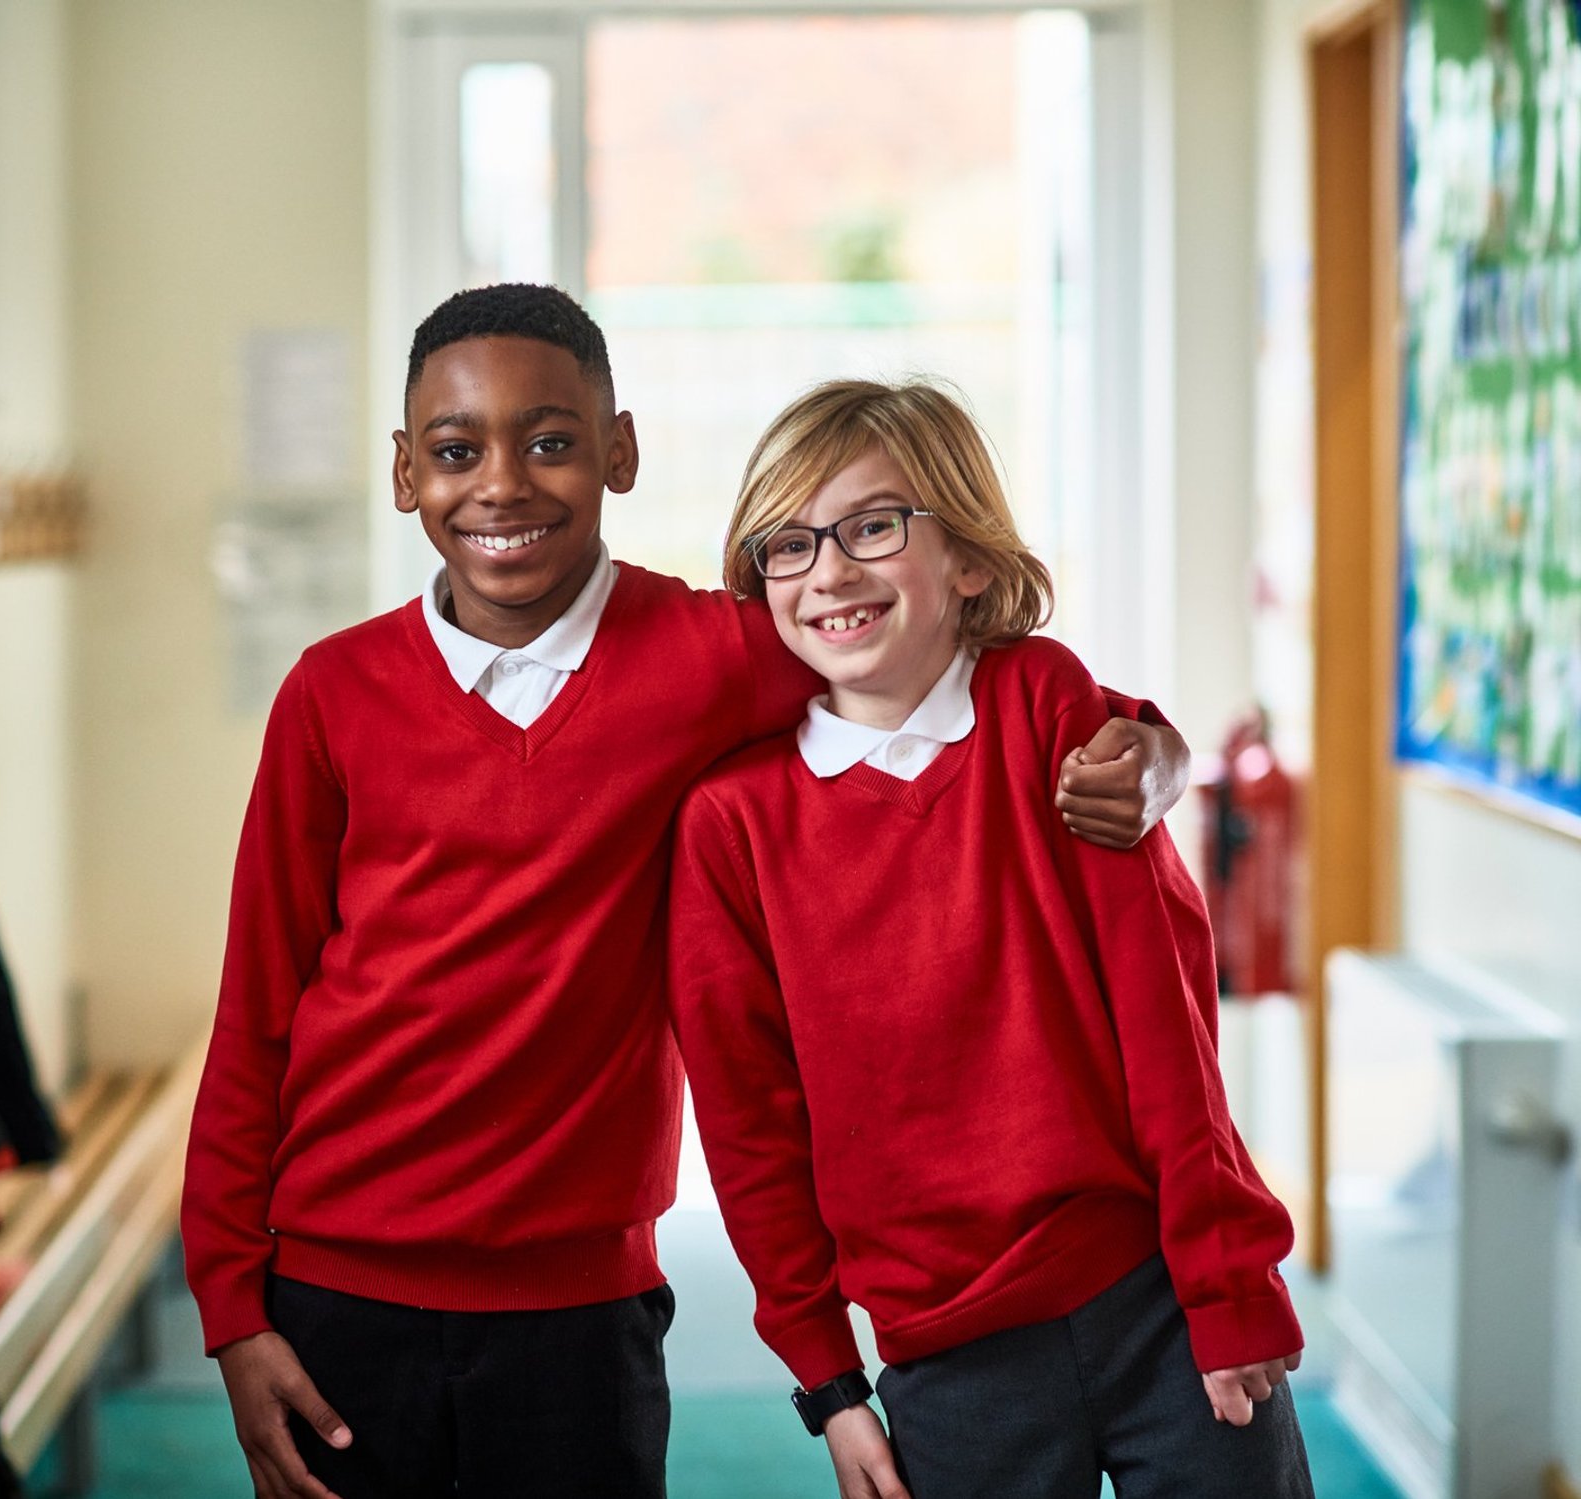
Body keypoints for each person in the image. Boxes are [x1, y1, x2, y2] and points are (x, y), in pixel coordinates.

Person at [181, 286, 1192, 1499]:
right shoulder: (329, 695)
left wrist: (1148, 746)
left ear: (620, 451)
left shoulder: (724, 651)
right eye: (455, 452)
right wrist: (233, 1307)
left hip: (580, 1301)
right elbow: (256, 1011)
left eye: (550, 441)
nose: (501, 484)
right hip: (338, 1282)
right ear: (405, 474)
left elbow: (933, 641)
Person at [668, 378, 1313, 1499]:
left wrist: (1226, 1277)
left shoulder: (1042, 704)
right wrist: (827, 1381)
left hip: (1156, 1294)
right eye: (788, 542)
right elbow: (747, 1122)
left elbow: (1163, 1014)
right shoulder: (731, 823)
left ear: (966, 557)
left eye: (872, 524)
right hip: (943, 1347)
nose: (828, 569)